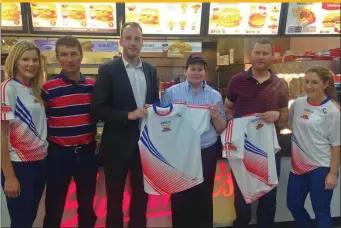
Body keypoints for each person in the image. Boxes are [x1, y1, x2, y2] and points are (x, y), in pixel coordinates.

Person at [91, 22, 159, 228]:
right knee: (114, 199)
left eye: (137, 39)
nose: (132, 43)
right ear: (120, 42)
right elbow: (97, 109)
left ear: (142, 43)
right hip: (116, 146)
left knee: (142, 197)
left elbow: (154, 103)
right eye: (128, 38)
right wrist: (126, 115)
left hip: (145, 147)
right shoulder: (107, 70)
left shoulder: (150, 70)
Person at [224, 39, 289, 228]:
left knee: (268, 198)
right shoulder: (236, 81)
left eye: (265, 53)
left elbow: (285, 113)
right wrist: (234, 127)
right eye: (258, 53)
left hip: (270, 150)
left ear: (272, 56)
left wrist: (277, 115)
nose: (261, 57)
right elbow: (228, 109)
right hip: (242, 149)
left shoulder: (280, 84)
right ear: (250, 55)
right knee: (241, 197)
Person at [161, 53, 227, 228]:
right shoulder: (171, 93)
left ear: (205, 72)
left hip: (206, 151)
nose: (196, 73)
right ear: (186, 70)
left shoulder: (215, 96)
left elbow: (221, 128)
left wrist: (214, 116)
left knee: (204, 197)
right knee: (180, 197)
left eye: (200, 69)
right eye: (193, 69)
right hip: (180, 153)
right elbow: (163, 124)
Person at [42, 36, 98, 228]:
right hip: (59, 155)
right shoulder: (48, 88)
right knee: (54, 205)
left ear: (81, 56)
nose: (69, 59)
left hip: (87, 154)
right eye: (64, 54)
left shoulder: (92, 86)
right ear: (58, 58)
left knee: (87, 205)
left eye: (73, 54)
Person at [1, 41, 48, 228]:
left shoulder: (35, 90)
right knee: (20, 221)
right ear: (15, 61)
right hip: (20, 166)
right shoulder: (7, 88)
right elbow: (1, 135)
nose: (32, 64)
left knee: (30, 217)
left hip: (41, 163)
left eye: (35, 60)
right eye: (25, 59)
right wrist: (9, 176)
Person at [287, 65, 340, 228]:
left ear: (325, 84)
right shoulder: (298, 103)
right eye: (307, 81)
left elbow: (337, 145)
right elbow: (289, 125)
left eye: (315, 82)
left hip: (321, 168)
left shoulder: (333, 110)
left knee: (321, 211)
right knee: (293, 205)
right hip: (297, 166)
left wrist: (333, 173)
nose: (309, 86)